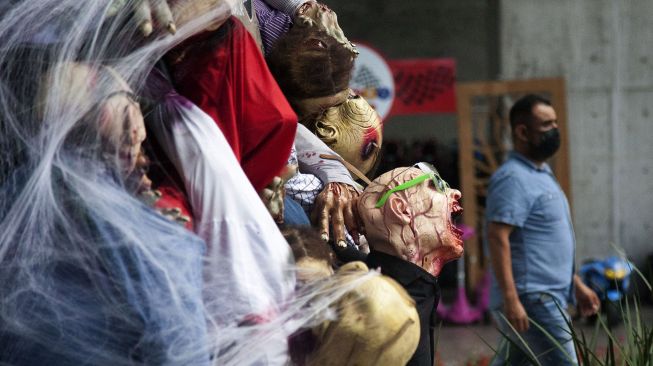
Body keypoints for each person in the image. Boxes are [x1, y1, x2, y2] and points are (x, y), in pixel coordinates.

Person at [485, 94, 600, 365]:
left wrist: (576, 284)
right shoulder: (512, 178)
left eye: (556, 123)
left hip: (549, 294)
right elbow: (497, 237)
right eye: (547, 125)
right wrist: (511, 300)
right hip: (534, 299)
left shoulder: (541, 173)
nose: (556, 130)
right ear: (522, 132)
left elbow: (542, 242)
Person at [357, 165, 465, 366]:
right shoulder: (375, 302)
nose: (456, 192)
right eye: (437, 185)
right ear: (401, 209)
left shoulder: (419, 285)